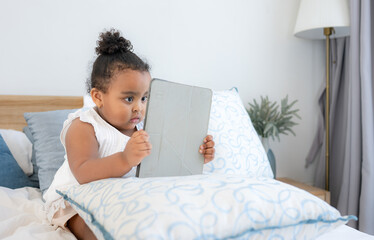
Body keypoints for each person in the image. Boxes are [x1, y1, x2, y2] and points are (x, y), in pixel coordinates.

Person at [43, 29, 215, 240]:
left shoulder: (145, 129)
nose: (139, 108)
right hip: (74, 201)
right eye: (128, 99)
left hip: (117, 199)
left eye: (144, 98)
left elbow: (159, 169)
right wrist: (125, 158)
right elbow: (83, 172)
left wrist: (196, 155)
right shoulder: (84, 126)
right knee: (93, 227)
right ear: (98, 97)